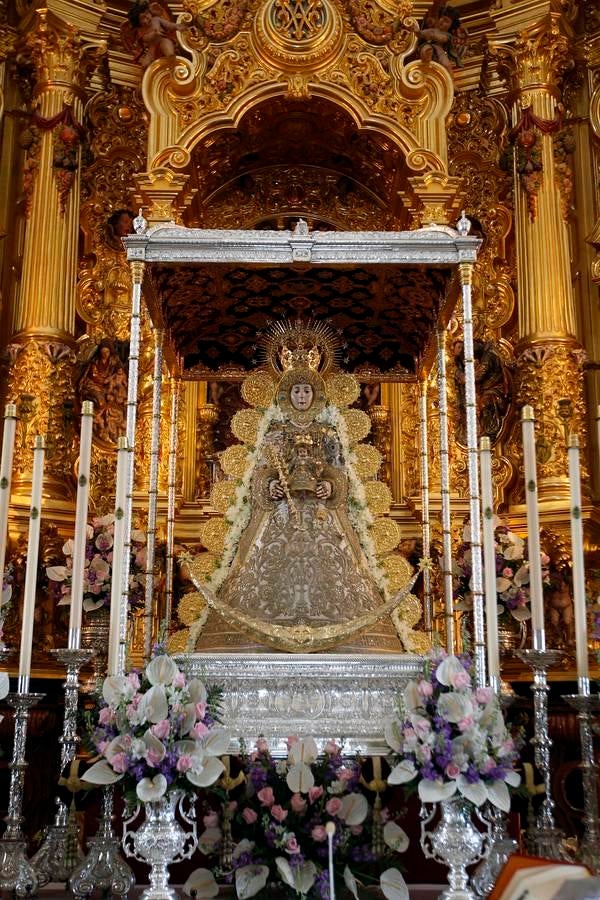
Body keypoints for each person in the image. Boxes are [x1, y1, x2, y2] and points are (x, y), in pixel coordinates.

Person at [188, 323, 422, 654]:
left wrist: (328, 485)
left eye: (306, 391)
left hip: (323, 517)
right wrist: (269, 486)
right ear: (288, 394)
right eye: (296, 391)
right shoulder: (274, 431)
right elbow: (260, 474)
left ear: (315, 395)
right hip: (279, 517)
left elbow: (340, 474)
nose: (301, 396)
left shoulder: (328, 433)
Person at [127, 1, 186, 68]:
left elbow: (168, 25)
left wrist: (176, 26)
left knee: (168, 48)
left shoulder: (156, 19)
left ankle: (172, 60)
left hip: (162, 40)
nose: (148, 17)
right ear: (138, 23)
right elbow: (145, 38)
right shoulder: (141, 30)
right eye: (143, 18)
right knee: (145, 64)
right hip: (153, 47)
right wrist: (154, 34)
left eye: (147, 13)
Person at [414, 4, 467, 72]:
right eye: (442, 18)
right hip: (428, 45)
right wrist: (417, 31)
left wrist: (431, 35)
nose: (442, 22)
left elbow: (442, 38)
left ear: (450, 26)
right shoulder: (432, 30)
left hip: (440, 50)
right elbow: (421, 34)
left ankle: (449, 80)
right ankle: (425, 68)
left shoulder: (448, 35)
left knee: (447, 65)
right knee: (427, 50)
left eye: (446, 21)